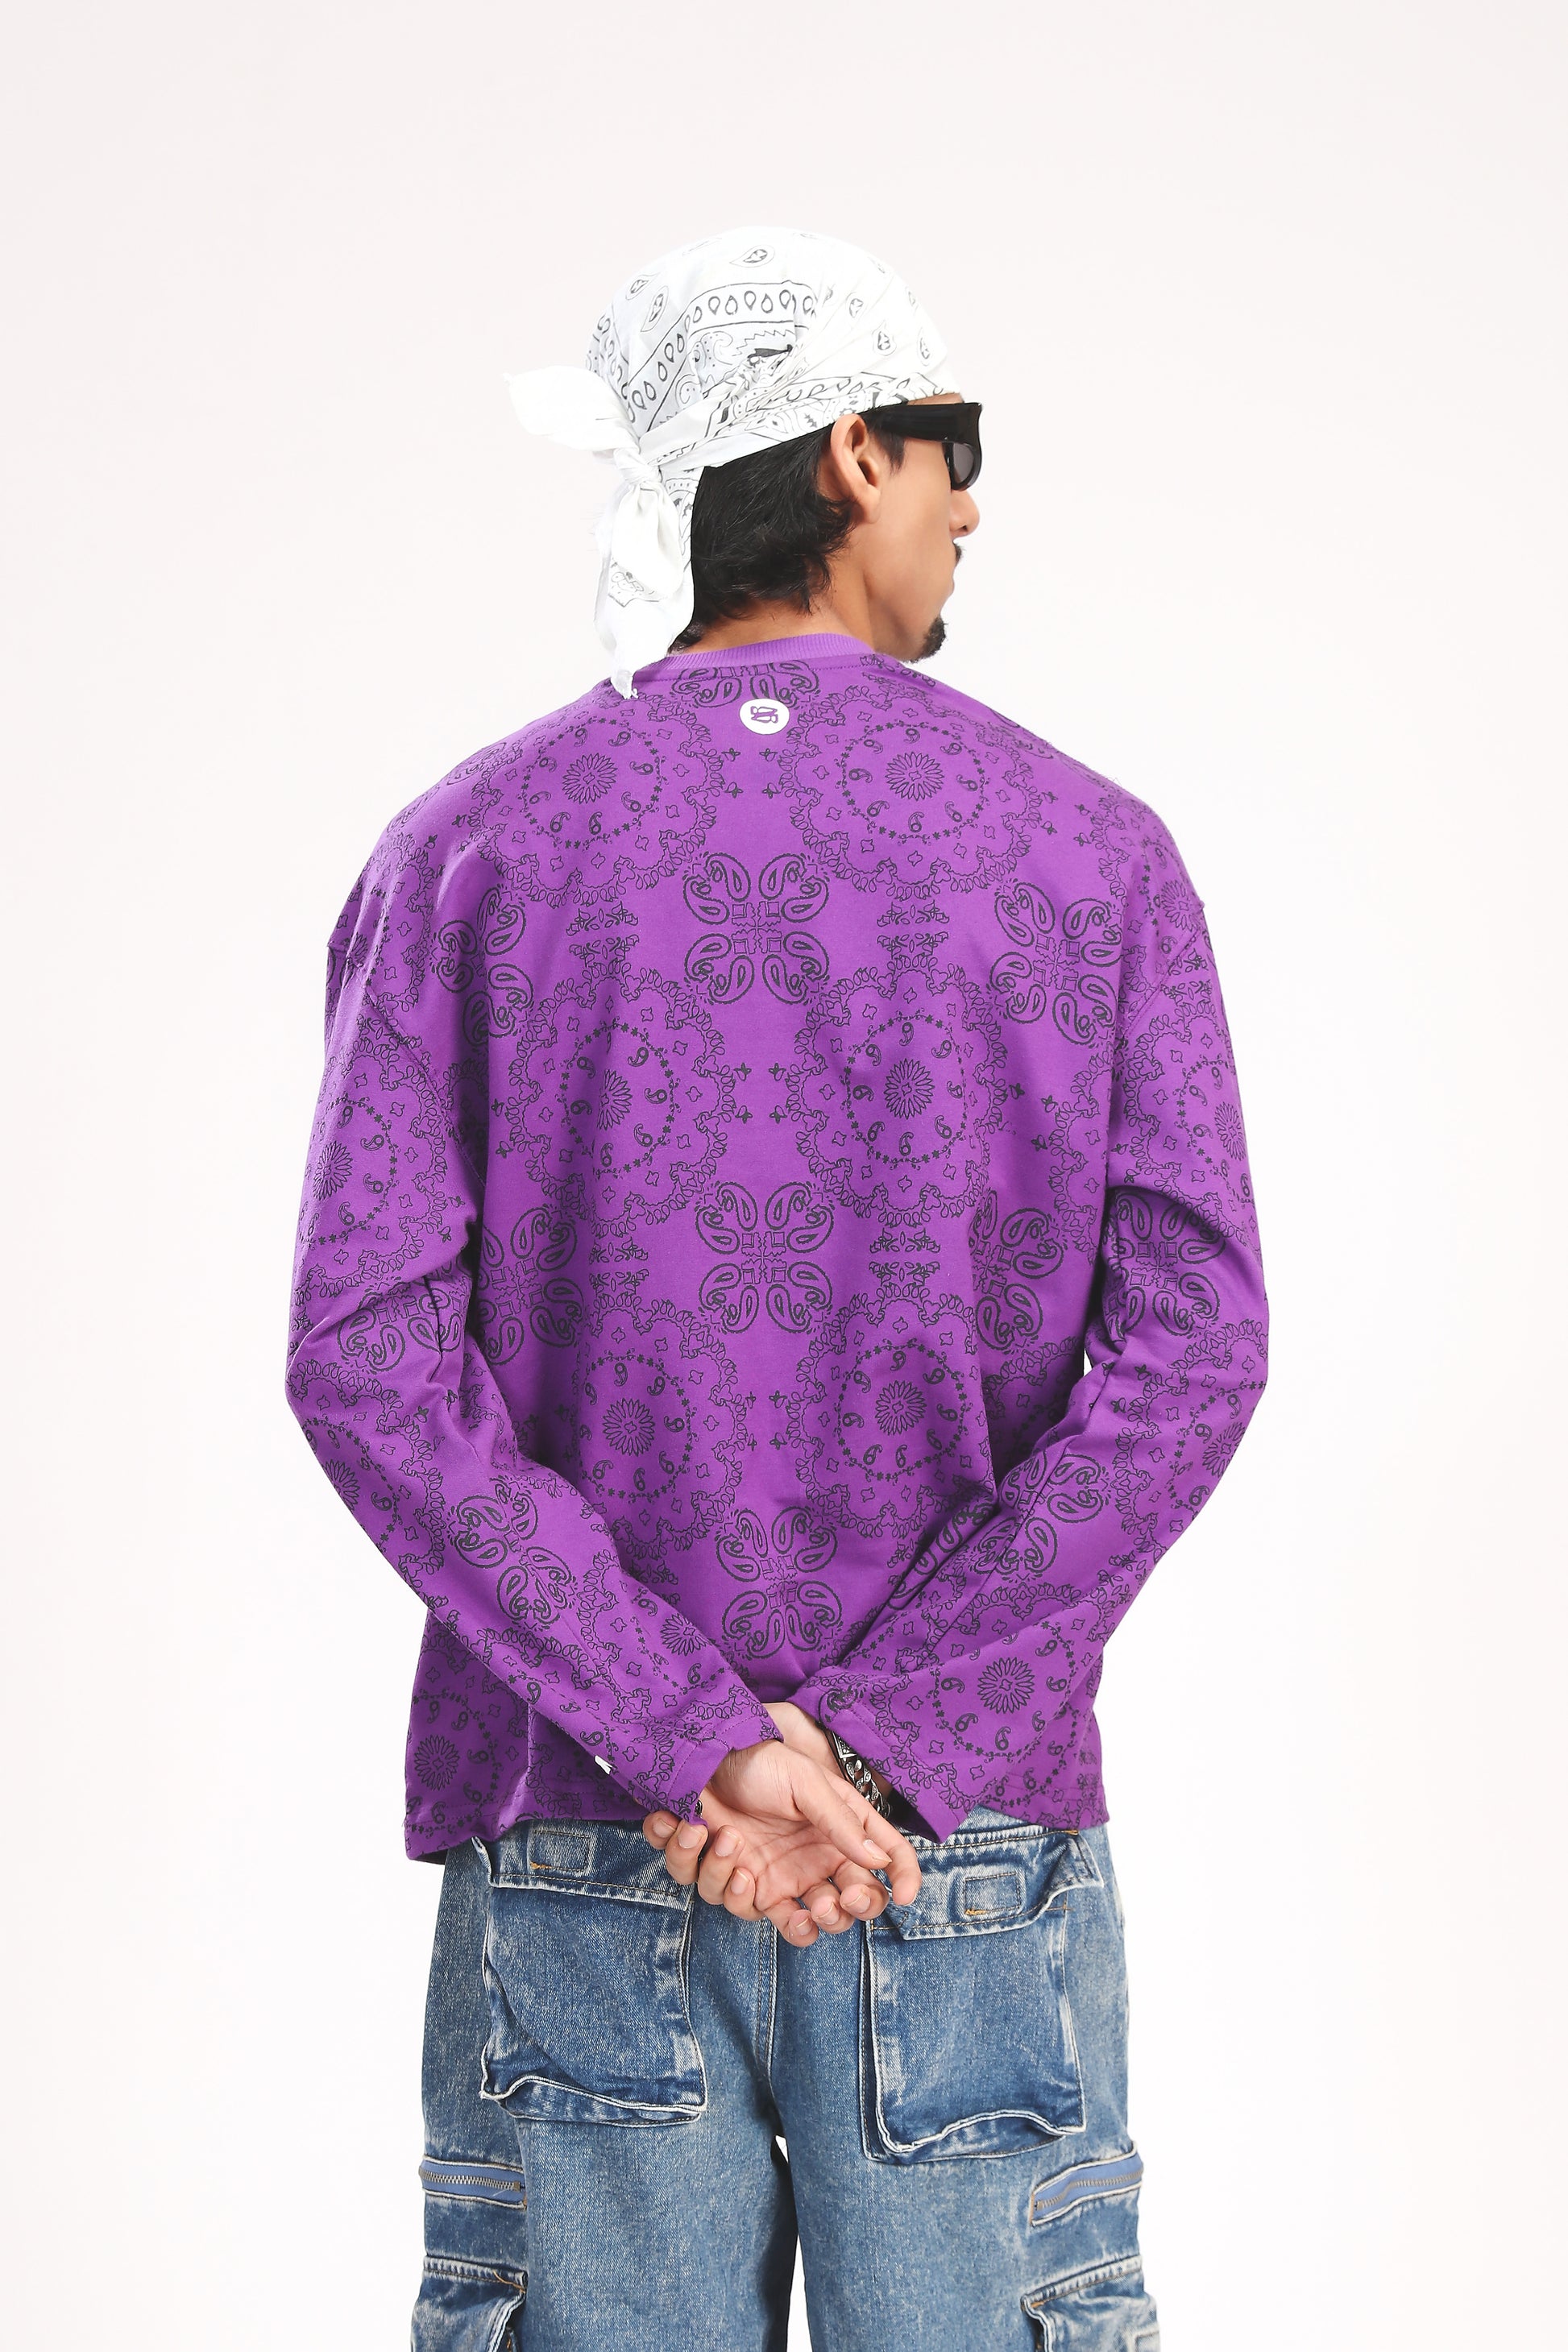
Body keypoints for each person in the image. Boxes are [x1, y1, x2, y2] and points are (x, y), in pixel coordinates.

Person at [286, 226, 1267, 2350]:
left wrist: (693, 1736)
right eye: (949, 451)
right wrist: (881, 1740)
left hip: (583, 1809)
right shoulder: (1090, 852)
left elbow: (369, 1353)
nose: (970, 508)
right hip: (956, 1830)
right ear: (849, 453)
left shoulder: (464, 852)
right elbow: (1190, 1350)